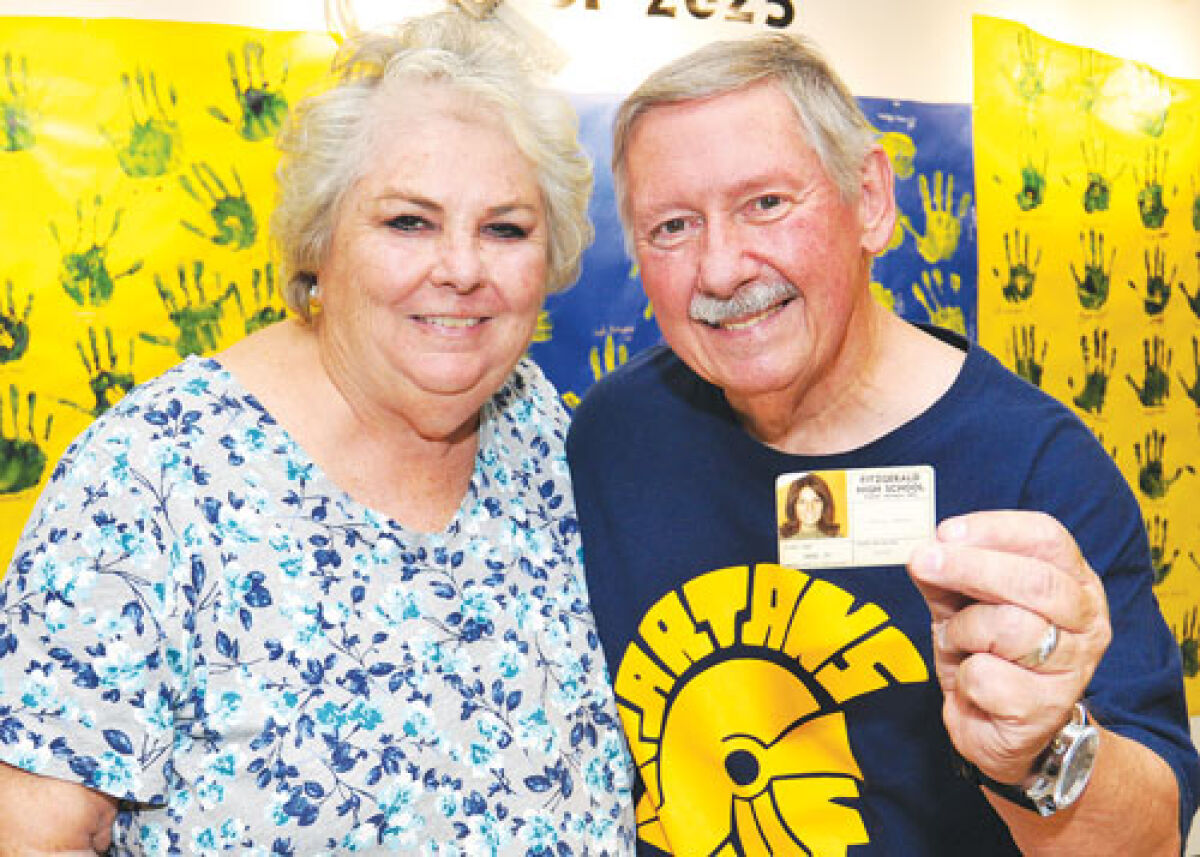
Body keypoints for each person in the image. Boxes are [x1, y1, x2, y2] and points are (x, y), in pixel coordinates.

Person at [0, 11, 633, 852]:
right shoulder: (151, 478)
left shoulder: (544, 436)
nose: (462, 267)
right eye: (408, 220)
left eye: (505, 228)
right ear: (318, 242)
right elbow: (32, 836)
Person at [566, 32, 1197, 855]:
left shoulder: (1036, 467)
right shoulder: (613, 439)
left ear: (869, 199)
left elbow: (1148, 838)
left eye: (765, 204)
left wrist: (1036, 750)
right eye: (673, 225)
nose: (720, 269)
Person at [779, 472, 840, 538]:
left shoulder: (837, 538)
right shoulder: (780, 537)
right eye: (802, 502)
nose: (810, 508)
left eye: (816, 501)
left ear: (825, 505)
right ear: (793, 506)